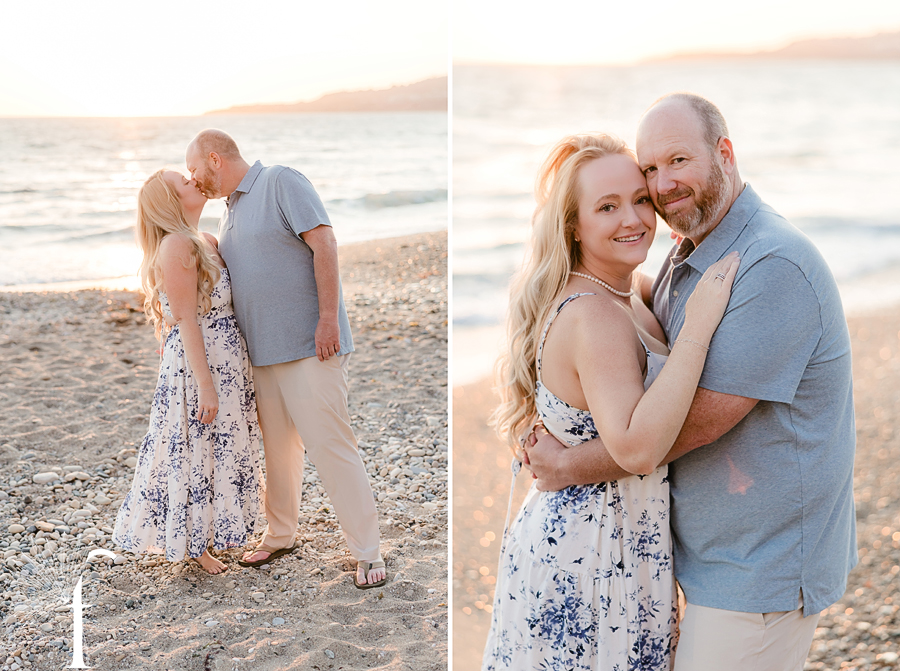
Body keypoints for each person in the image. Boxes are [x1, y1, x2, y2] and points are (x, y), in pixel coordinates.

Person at [526, 94, 858, 671]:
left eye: (678, 161)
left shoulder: (769, 264)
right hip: (697, 562)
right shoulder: (687, 255)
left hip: (758, 570)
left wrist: (565, 465)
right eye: (649, 169)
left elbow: (690, 423)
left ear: (724, 154)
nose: (661, 185)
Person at [482, 133, 739, 670]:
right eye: (607, 206)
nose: (634, 219)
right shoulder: (592, 312)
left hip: (622, 540)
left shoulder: (630, 291)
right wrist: (699, 325)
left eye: (640, 199)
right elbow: (637, 448)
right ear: (573, 226)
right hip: (591, 551)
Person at [185, 129, 386, 588]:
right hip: (261, 355)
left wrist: (328, 320)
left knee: (331, 447)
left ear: (214, 158)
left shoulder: (280, 181)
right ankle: (280, 535)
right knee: (278, 453)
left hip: (311, 345)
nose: (196, 180)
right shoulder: (229, 211)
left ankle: (368, 553)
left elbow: (325, 243)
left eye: (196, 170)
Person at [113, 169, 262, 575]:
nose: (193, 180)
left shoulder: (208, 241)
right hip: (199, 365)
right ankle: (194, 544)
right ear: (170, 200)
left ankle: (209, 533)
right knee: (192, 445)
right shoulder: (176, 245)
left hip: (227, 358)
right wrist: (206, 387)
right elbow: (186, 321)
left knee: (219, 444)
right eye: (183, 180)